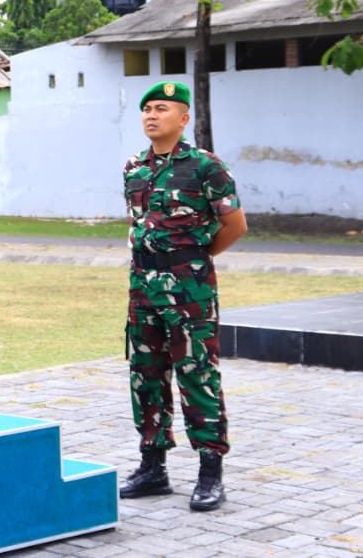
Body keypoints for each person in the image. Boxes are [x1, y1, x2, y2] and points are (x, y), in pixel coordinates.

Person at [120, 81, 247, 512]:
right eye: (147, 110)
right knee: (145, 374)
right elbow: (138, 224)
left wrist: (194, 259)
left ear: (184, 118)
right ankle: (152, 466)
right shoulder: (134, 167)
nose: (151, 116)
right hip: (143, 288)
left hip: (189, 290)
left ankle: (210, 472)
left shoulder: (206, 166)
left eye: (162, 108)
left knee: (197, 374)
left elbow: (235, 225)